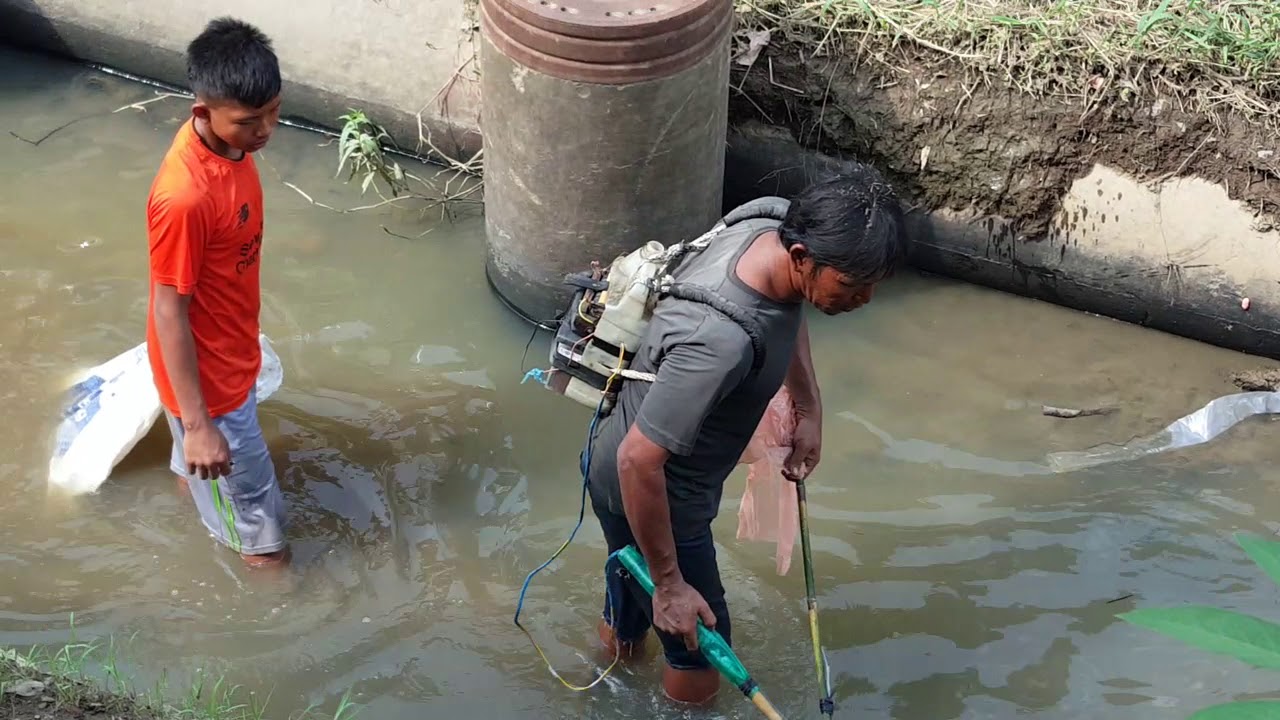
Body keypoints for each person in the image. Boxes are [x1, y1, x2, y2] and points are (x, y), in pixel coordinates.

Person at [586, 165, 908, 705]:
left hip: (612, 464)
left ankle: (603, 686)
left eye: (874, 284)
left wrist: (808, 405)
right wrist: (670, 586)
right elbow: (639, 461)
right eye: (853, 284)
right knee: (701, 652)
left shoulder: (768, 222)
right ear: (803, 257)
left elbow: (787, 309)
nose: (866, 298)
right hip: (655, 497)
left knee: (626, 604)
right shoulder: (720, 341)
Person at [145, 17, 288, 568]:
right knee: (266, 545)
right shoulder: (185, 198)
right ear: (200, 113)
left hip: (231, 357)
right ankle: (274, 629)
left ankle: (198, 507)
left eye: (274, 112)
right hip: (213, 390)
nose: (266, 130)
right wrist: (200, 423)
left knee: (200, 475)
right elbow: (168, 310)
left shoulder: (232, 148)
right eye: (250, 121)